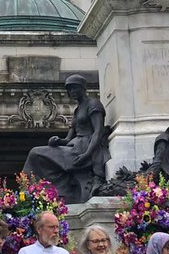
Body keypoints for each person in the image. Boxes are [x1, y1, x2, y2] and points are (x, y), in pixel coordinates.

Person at [21, 75, 109, 203]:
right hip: (74, 146)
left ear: (83, 88)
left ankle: (30, 190)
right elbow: (68, 139)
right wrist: (58, 141)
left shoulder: (93, 104)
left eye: (75, 88)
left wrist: (87, 154)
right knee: (37, 155)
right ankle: (47, 190)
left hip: (84, 148)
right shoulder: (77, 111)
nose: (72, 92)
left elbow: (98, 132)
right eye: (70, 89)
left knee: (35, 153)